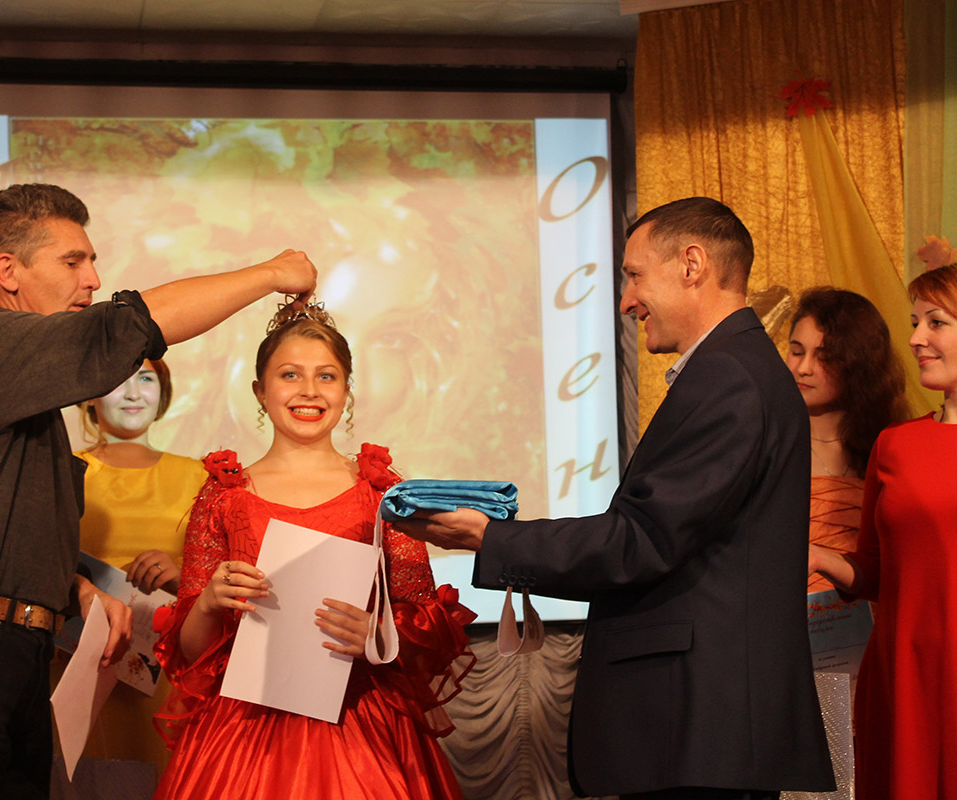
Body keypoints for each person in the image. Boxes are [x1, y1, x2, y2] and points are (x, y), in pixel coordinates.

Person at [0, 183, 316, 800]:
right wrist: (271, 273)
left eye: (92, 260)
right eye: (72, 261)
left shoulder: (23, 389)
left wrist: (75, 586)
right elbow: (130, 325)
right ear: (8, 271)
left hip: (7, 651)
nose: (93, 278)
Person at [399, 197, 835, 799]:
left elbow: (642, 540)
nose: (627, 301)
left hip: (701, 730)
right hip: (703, 731)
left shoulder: (729, 376)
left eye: (634, 275)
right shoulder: (735, 368)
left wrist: (490, 538)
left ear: (692, 265)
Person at [152, 302, 474, 800]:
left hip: (361, 719)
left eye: (326, 376)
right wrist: (211, 603)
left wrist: (379, 634)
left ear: (346, 391)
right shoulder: (223, 496)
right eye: (290, 375)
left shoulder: (382, 494)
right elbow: (191, 653)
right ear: (260, 391)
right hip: (246, 728)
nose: (309, 390)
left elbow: (427, 627)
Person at [809, 263, 957, 799]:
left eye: (936, 322)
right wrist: (817, 556)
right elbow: (876, 572)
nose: (915, 338)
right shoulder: (896, 445)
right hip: (904, 679)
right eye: (915, 323)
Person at [55, 357, 206, 768]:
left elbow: (223, 573)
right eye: (117, 381)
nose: (134, 393)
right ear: (89, 396)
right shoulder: (63, 472)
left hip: (169, 668)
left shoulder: (199, 476)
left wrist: (183, 574)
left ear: (163, 392)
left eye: (146, 379)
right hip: (77, 661)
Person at [785, 288, 908, 593]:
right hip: (778, 611)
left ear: (859, 363)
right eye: (797, 351)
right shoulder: (767, 443)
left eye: (824, 357)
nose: (804, 368)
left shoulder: (892, 449)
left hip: (871, 612)